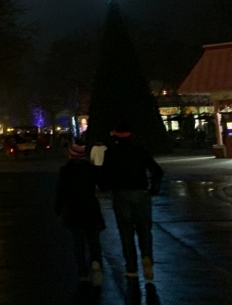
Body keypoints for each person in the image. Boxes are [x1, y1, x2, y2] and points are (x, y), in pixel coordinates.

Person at [100, 122, 164, 282]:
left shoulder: (111, 153)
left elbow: (104, 175)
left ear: (116, 137)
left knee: (126, 232)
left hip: (121, 194)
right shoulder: (140, 151)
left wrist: (106, 187)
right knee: (145, 230)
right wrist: (153, 188)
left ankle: (131, 267)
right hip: (141, 193)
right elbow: (157, 171)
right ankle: (147, 257)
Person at [55, 143, 105, 286]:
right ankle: (96, 264)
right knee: (94, 241)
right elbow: (103, 185)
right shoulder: (91, 169)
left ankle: (82, 274)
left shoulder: (65, 170)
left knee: (78, 242)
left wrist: (58, 209)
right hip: (91, 207)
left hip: (73, 209)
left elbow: (60, 192)